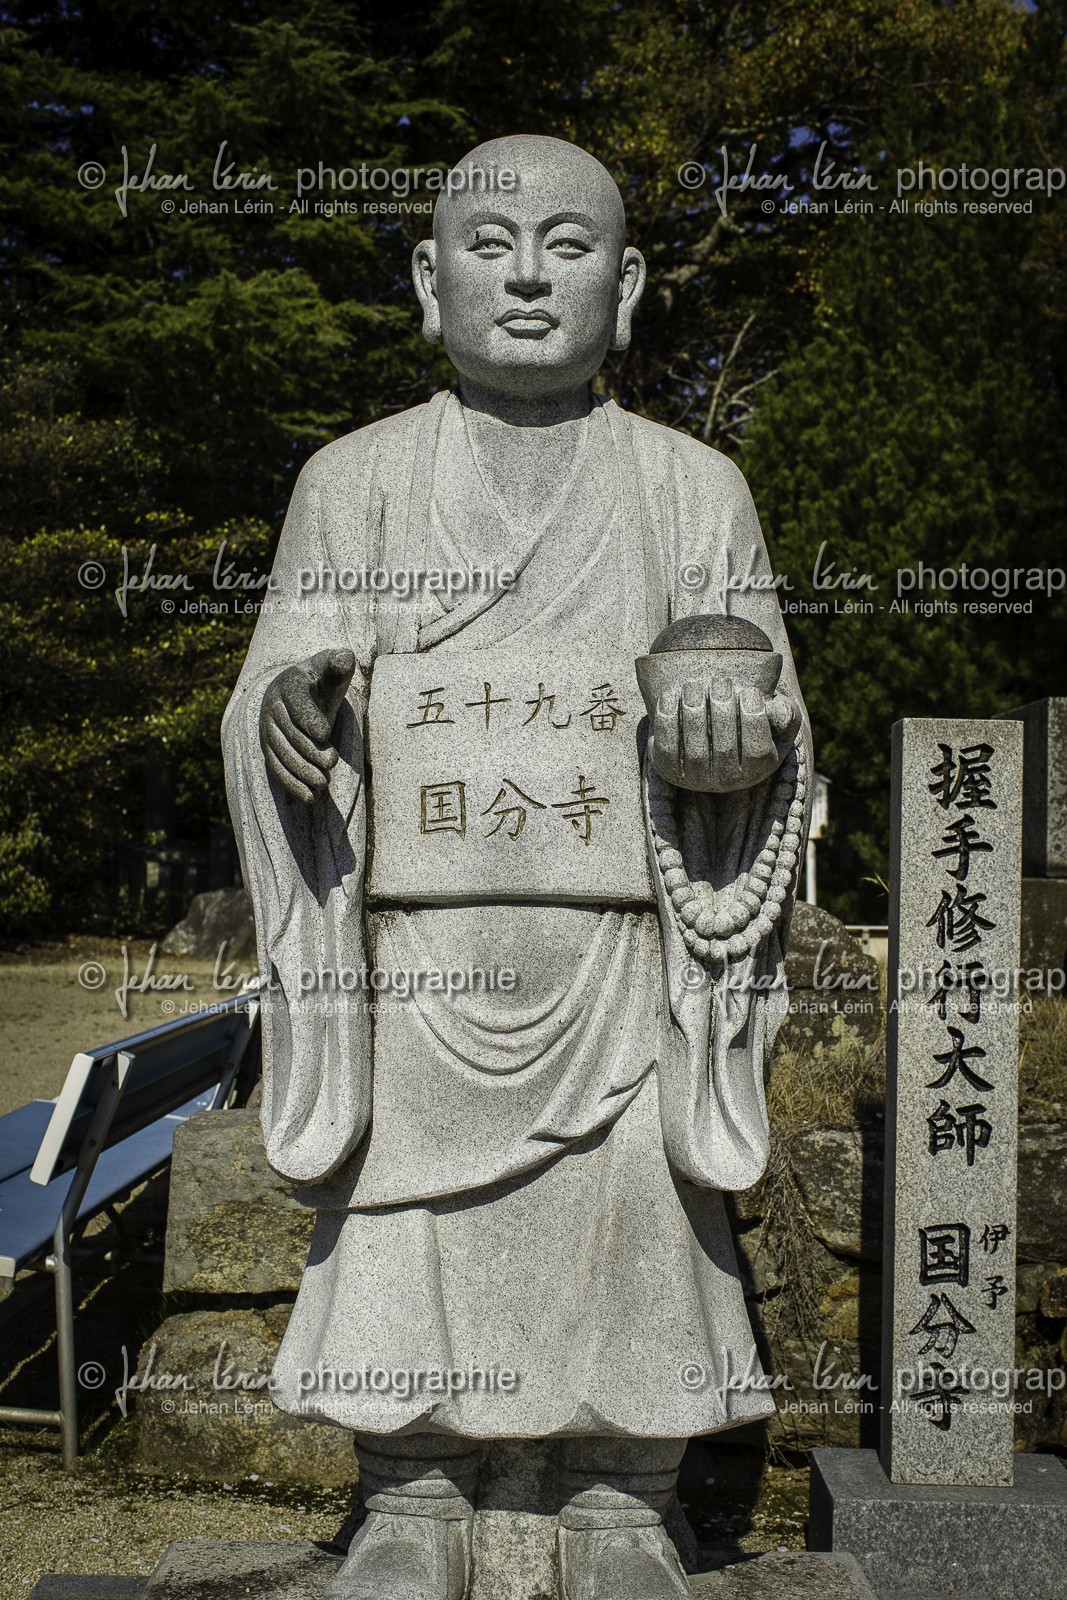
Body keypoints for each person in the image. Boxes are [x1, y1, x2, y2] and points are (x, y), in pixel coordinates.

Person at [223, 134, 811, 1600]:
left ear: (632, 281)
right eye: (491, 247)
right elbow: (272, 688)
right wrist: (293, 719)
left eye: (571, 244)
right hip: (419, 960)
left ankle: (622, 1492)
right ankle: (411, 1488)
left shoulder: (694, 491)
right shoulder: (352, 483)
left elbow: (778, 728)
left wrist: (735, 747)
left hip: (620, 960)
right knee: (412, 1219)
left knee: (626, 1211)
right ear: (430, 280)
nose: (532, 276)